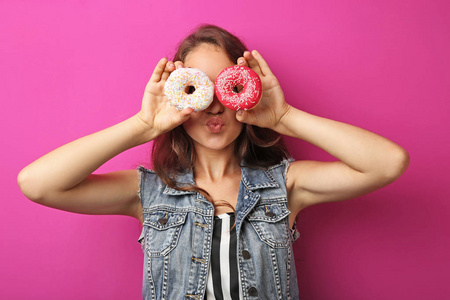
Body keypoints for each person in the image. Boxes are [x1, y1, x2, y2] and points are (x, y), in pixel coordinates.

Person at [17, 24, 409, 299]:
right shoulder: (149, 193)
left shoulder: (285, 186)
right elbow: (38, 183)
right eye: (198, 89)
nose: (215, 106)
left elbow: (388, 163)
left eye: (226, 86)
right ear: (180, 96)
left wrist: (285, 115)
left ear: (244, 92)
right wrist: (142, 125)